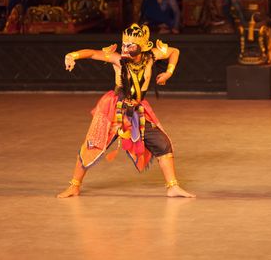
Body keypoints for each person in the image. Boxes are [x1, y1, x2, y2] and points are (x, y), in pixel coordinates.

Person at [57, 23, 195, 199]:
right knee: (93, 144)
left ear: (143, 47)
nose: (125, 48)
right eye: (124, 44)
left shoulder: (151, 57)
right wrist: (72, 55)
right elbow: (93, 53)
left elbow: (174, 51)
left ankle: (172, 187)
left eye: (130, 45)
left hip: (137, 111)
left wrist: (169, 72)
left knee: (163, 144)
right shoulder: (118, 59)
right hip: (115, 110)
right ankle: (74, 186)